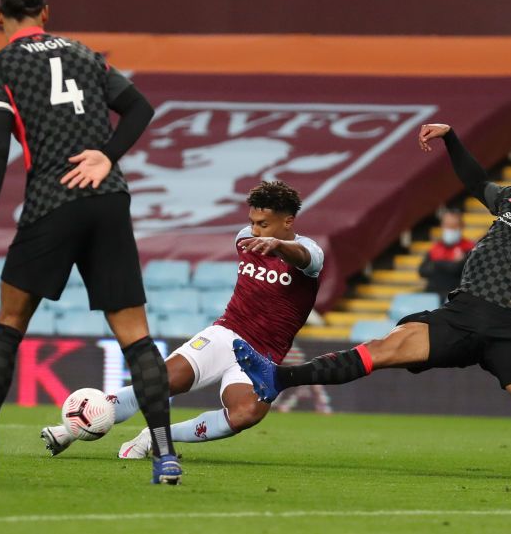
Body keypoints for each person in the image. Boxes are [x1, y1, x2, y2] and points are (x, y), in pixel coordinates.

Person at [234, 123, 511, 474]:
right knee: (382, 349)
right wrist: (451, 138)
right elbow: (476, 180)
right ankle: (277, 379)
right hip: (462, 313)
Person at [0, 0, 181, 484]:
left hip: (53, 200)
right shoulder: (85, 55)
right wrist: (106, 156)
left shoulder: (0, 67)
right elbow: (140, 107)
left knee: (9, 325)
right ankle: (165, 457)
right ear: (45, 12)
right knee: (137, 338)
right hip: (108, 200)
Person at [40, 181, 324, 458]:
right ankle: (68, 431)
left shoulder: (310, 253)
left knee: (245, 415)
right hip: (226, 334)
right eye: (252, 222)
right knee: (159, 384)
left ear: (288, 221)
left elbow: (303, 258)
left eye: (263, 224)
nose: (255, 230)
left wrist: (278, 245)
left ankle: (155, 437)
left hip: (262, 356)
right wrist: (265, 238)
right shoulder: (244, 239)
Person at [418, 209, 474, 297]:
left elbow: (459, 270)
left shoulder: (469, 248)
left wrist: (436, 265)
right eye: (447, 225)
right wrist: (451, 264)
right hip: (433, 296)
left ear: (462, 226)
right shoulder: (435, 248)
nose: (450, 229)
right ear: (442, 226)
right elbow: (422, 271)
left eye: (454, 226)